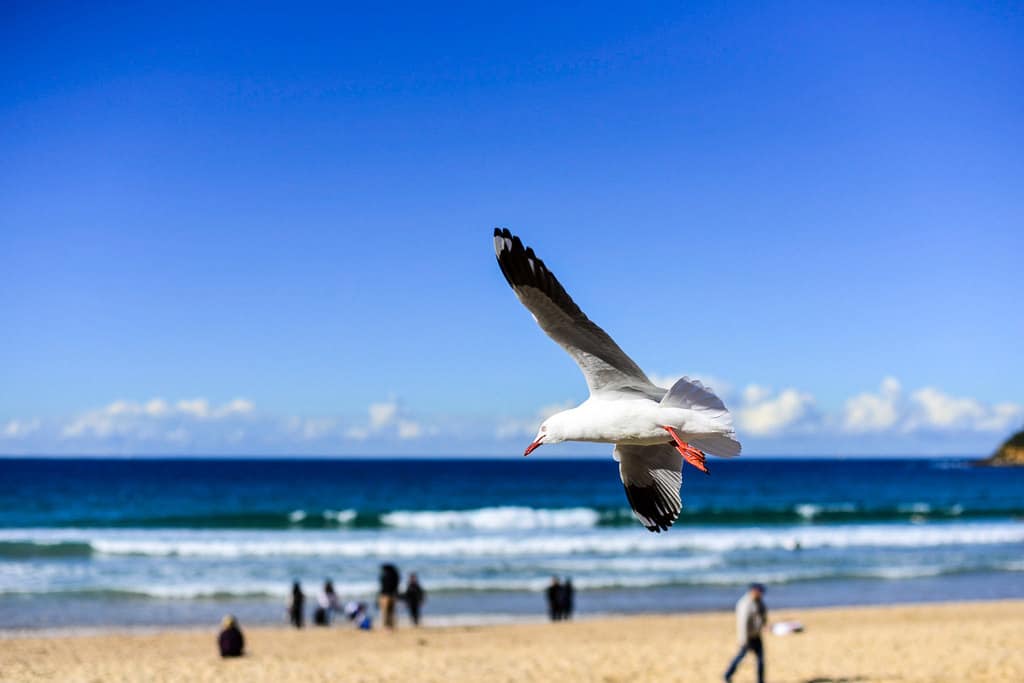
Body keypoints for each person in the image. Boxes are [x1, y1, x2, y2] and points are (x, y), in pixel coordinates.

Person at [724, 583, 768, 683]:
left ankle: (760, 681)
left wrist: (764, 624)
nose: (761, 594)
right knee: (740, 657)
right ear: (753, 591)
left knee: (760, 660)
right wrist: (743, 640)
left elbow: (763, 615)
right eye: (760, 592)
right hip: (748, 637)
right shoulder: (745, 604)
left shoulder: (759, 602)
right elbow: (742, 624)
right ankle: (727, 675)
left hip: (756, 635)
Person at [379, 563, 401, 629]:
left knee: (385, 612)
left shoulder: (384, 576)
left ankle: (386, 625)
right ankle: (392, 624)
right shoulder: (395, 576)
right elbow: (396, 587)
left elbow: (382, 587)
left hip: (385, 595)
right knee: (392, 611)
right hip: (392, 595)